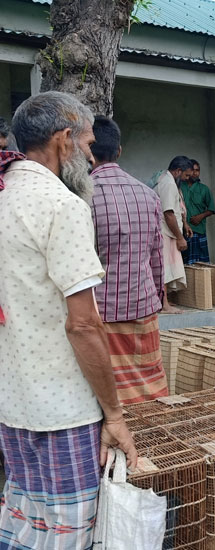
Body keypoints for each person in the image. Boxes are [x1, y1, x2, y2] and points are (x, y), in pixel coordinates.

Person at [0, 91, 137, 550]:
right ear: (63, 141)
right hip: (62, 409)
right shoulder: (61, 205)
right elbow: (83, 326)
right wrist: (114, 413)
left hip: (12, 402)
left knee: (24, 524)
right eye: (86, 143)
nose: (90, 154)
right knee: (66, 534)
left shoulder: (6, 193)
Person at [90, 116, 169, 405]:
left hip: (100, 311)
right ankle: (155, 439)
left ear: (86, 152)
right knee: (148, 385)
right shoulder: (148, 195)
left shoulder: (79, 196)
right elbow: (156, 256)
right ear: (118, 150)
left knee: (108, 391)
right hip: (142, 306)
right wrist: (158, 296)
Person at [156, 155, 193, 313]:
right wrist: (180, 237)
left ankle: (165, 301)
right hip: (166, 232)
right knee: (165, 268)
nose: (186, 179)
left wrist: (184, 225)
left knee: (168, 268)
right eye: (186, 175)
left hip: (168, 231)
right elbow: (169, 213)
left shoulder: (166, 179)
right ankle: (164, 304)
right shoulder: (168, 184)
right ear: (178, 171)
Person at [180, 159, 215, 265]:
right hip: (181, 230)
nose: (195, 173)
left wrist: (200, 216)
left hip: (198, 230)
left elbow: (211, 209)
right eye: (193, 170)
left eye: (198, 170)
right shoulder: (179, 187)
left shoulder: (204, 189)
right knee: (183, 263)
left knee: (200, 264)